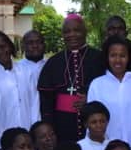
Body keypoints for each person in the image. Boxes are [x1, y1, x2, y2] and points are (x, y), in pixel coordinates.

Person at [37, 13, 105, 142]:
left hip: (94, 127)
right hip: (62, 128)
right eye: (67, 32)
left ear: (85, 32)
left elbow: (109, 89)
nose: (72, 35)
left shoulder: (99, 58)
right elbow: (46, 102)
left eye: (77, 30)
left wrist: (91, 99)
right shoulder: (53, 62)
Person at [87, 36, 131, 143]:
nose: (118, 60)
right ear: (107, 57)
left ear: (129, 57)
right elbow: (91, 119)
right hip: (106, 147)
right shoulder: (97, 85)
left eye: (122, 56)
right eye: (113, 55)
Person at [0, 31, 38, 130]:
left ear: (10, 46)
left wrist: (35, 129)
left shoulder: (26, 71)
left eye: (3, 46)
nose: (0, 52)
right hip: (0, 135)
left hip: (27, 131)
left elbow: (34, 103)